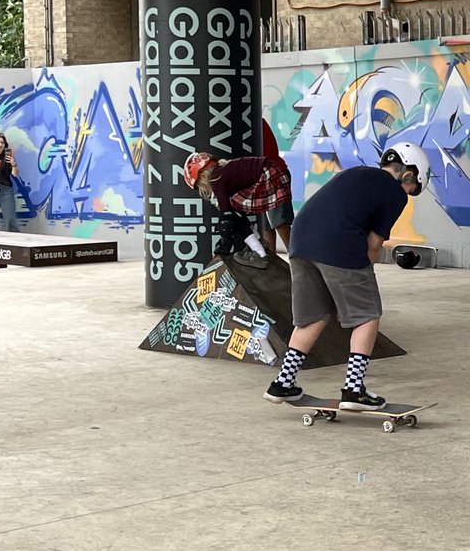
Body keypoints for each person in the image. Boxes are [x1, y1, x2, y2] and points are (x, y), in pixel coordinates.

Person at [262, 142, 429, 411]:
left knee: (312, 316)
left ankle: (283, 382)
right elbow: (374, 244)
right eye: (413, 188)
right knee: (367, 314)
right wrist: (362, 277)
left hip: (300, 242)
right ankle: (353, 390)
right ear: (407, 174)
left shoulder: (355, 173)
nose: (410, 194)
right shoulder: (394, 193)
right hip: (338, 244)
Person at [183, 152, 294, 269]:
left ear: (202, 176)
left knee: (280, 224)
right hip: (269, 170)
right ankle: (259, 246)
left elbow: (227, 216)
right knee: (263, 222)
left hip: (268, 175)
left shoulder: (216, 179)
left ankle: (268, 255)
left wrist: (224, 246)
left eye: (200, 185)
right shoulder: (222, 170)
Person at [260, 118, 293, 253]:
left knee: (280, 224)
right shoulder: (254, 121)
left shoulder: (253, 122)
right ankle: (272, 266)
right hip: (261, 176)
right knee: (266, 226)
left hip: (271, 174)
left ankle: (302, 265)